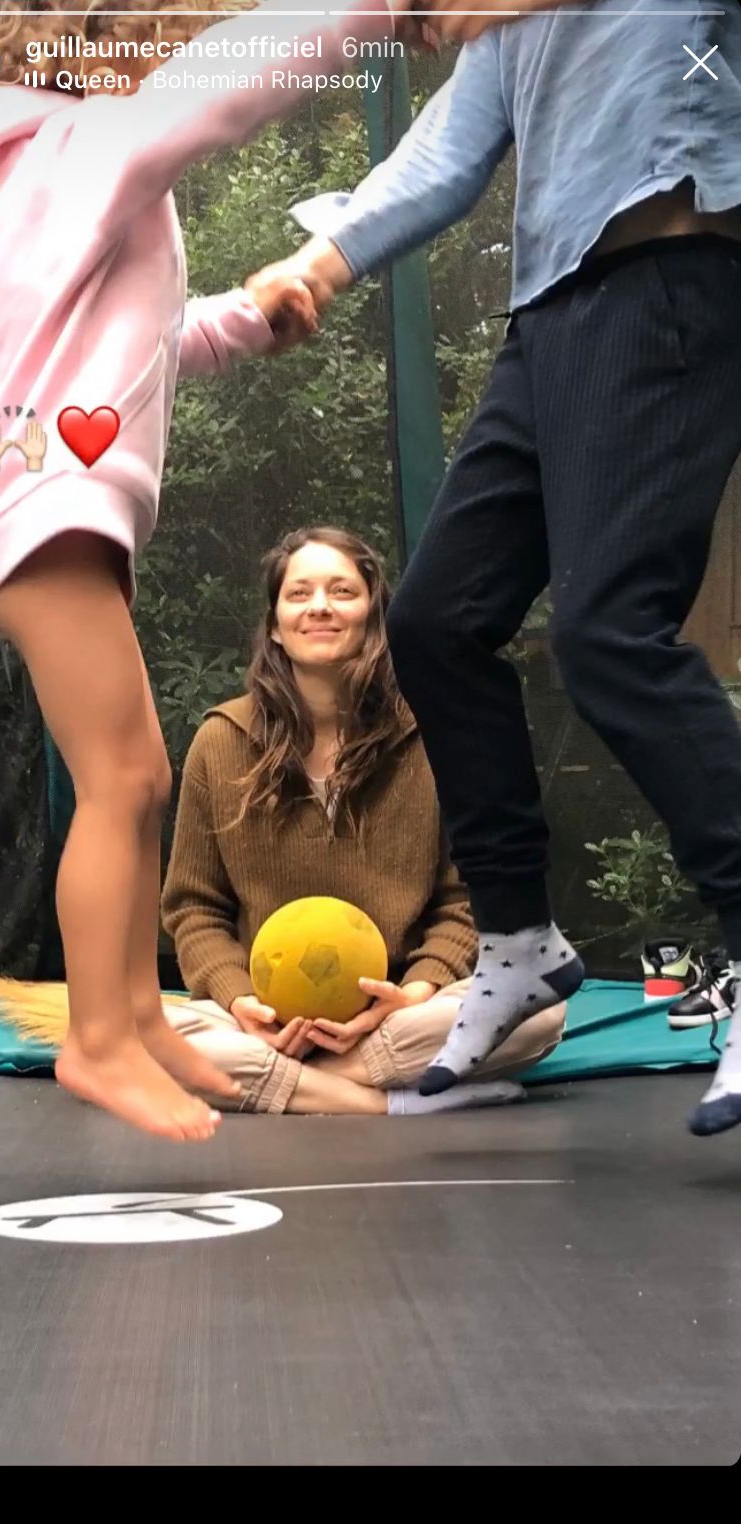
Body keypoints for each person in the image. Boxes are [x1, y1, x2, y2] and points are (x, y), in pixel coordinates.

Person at [0, 0, 443, 1144]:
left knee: (136, 782)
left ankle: (138, 1017)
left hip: (57, 502)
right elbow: (223, 94)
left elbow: (153, 337)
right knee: (123, 783)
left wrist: (254, 318)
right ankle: (101, 1040)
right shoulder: (71, 138)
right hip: (41, 504)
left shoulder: (65, 173)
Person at [247, 0, 741, 1135]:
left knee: (609, 631)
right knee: (432, 621)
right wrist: (321, 262)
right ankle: (518, 939)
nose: (428, 25)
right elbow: (446, 151)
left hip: (672, 279)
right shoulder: (512, 32)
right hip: (549, 318)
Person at [160, 527, 565, 1115]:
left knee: (541, 1006)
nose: (320, 606)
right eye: (299, 594)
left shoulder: (433, 735)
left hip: (399, 1014)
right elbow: (193, 909)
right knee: (132, 1035)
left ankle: (311, 1083)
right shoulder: (219, 741)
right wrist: (240, 1000)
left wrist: (415, 990)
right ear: (274, 624)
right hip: (261, 1021)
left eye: (342, 591)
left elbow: (468, 899)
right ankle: (388, 1103)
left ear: (374, 614)